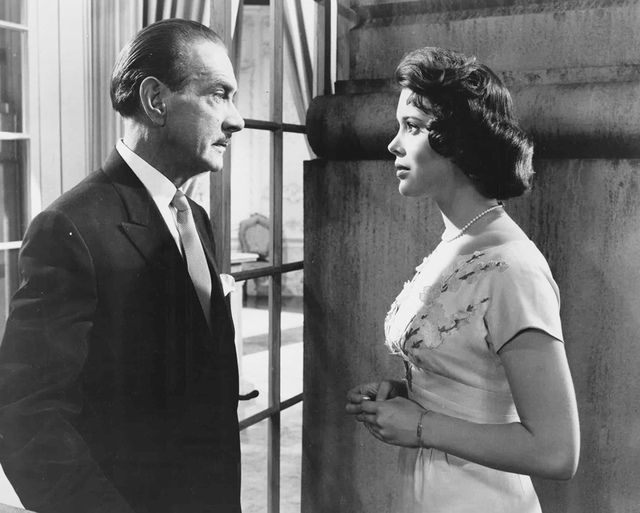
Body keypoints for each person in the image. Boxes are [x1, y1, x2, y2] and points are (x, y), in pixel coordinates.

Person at [0, 19, 244, 513]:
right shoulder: (69, 226)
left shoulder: (195, 217)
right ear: (155, 100)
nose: (236, 120)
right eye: (218, 95)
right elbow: (25, 416)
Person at [345, 47, 580, 512]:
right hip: (427, 493)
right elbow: (471, 376)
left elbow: (557, 451)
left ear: (458, 139)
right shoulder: (454, 245)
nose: (394, 144)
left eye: (412, 126)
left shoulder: (513, 267)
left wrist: (420, 426)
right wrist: (404, 394)